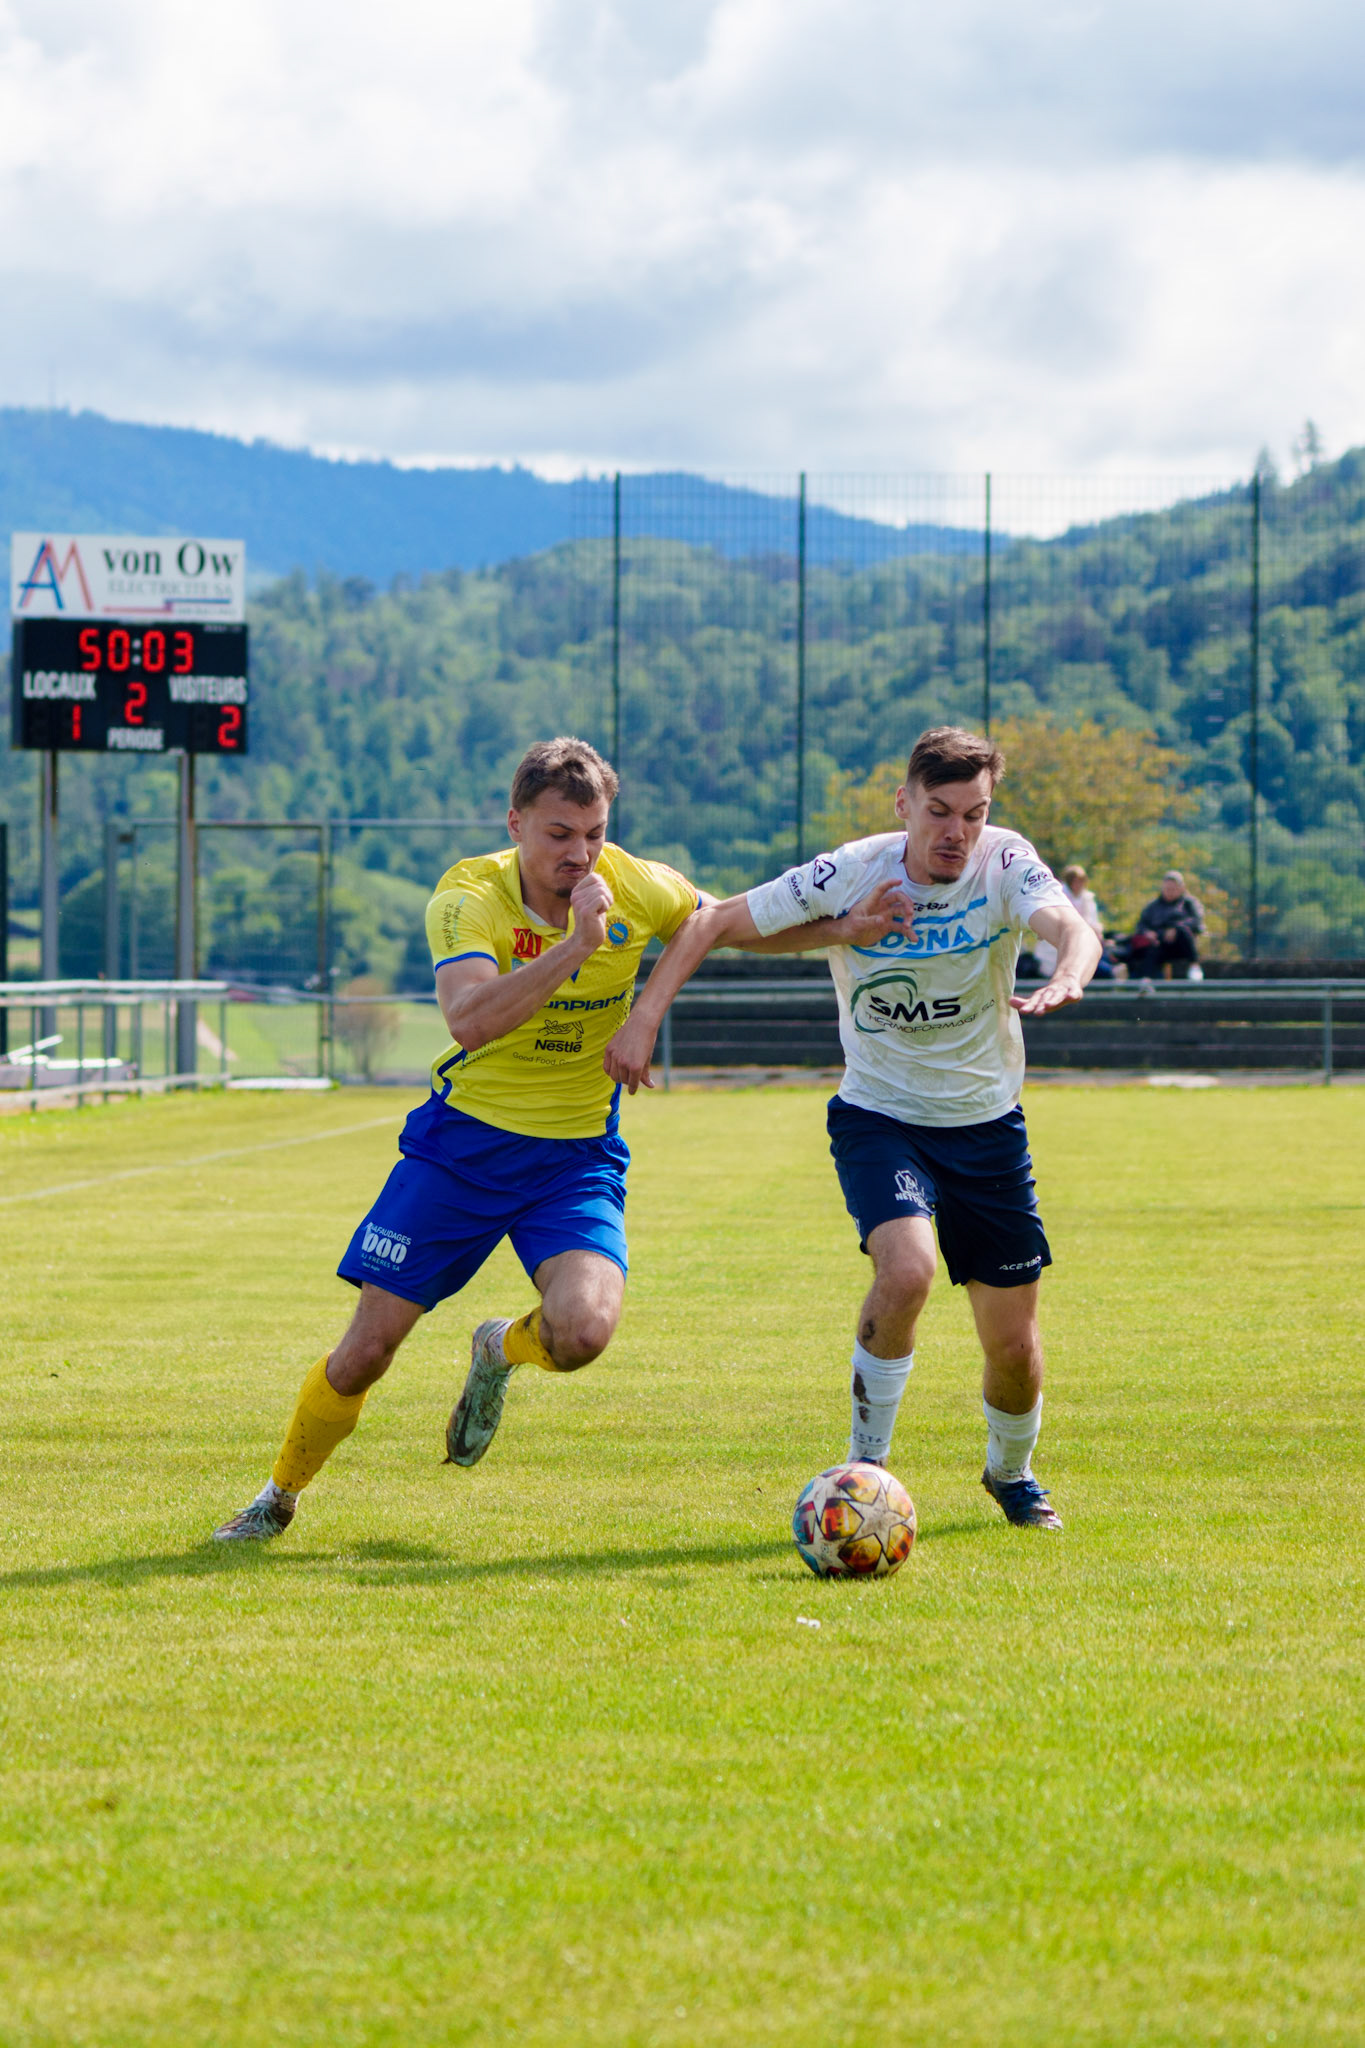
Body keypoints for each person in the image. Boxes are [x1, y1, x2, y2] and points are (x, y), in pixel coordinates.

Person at [603, 726, 1102, 1530]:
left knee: (1012, 1344)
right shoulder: (850, 870)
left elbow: (1070, 927)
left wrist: (1071, 975)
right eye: (938, 812)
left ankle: (1010, 1473)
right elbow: (709, 923)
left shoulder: (1005, 860)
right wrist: (642, 1019)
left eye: (973, 814)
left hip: (986, 1128)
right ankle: (862, 1468)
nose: (956, 832)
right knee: (905, 1272)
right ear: (903, 803)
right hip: (880, 1118)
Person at [213, 737, 703, 1541]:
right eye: (557, 835)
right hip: (461, 1151)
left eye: (594, 834)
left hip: (574, 1159)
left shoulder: (637, 885)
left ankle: (498, 1349)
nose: (580, 855)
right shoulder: (466, 896)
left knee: (582, 1333)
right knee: (365, 1354)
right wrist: (580, 945)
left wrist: (851, 918)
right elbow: (469, 1020)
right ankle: (279, 1496)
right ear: (515, 824)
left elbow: (721, 919)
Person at [1034, 863, 1114, 979]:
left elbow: (1091, 920)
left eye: (1081, 881)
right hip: (1059, 939)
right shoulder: (1058, 895)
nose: (1079, 884)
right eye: (1076, 881)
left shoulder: (1087, 898)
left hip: (1082, 939)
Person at [1125, 870, 1204, 980]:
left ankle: (1194, 965)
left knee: (1183, 931)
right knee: (1150, 952)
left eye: (1173, 889)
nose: (1170, 892)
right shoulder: (1153, 906)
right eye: (1167, 889)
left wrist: (1175, 928)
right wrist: (1148, 933)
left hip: (1182, 944)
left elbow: (1196, 921)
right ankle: (1147, 981)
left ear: (1181, 888)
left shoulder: (1189, 904)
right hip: (1160, 943)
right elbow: (1141, 925)